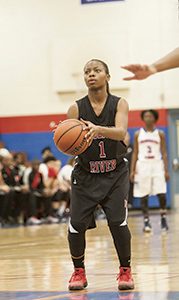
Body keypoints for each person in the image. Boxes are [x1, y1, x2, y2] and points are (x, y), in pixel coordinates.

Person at [66, 59, 134, 291]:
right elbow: (70, 145)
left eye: (96, 71)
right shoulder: (75, 108)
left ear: (108, 76)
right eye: (87, 71)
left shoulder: (119, 103)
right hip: (86, 174)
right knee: (75, 225)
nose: (91, 74)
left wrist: (97, 129)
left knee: (118, 222)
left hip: (114, 173)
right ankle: (78, 272)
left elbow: (121, 132)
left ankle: (125, 270)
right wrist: (63, 139)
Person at [130, 110, 169, 232]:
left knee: (161, 193)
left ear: (155, 118)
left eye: (150, 116)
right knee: (143, 194)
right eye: (145, 116)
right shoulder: (138, 134)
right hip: (142, 165)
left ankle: (163, 218)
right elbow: (135, 152)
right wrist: (132, 170)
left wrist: (166, 170)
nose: (147, 118)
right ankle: (146, 221)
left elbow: (164, 152)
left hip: (157, 164)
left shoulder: (160, 133)